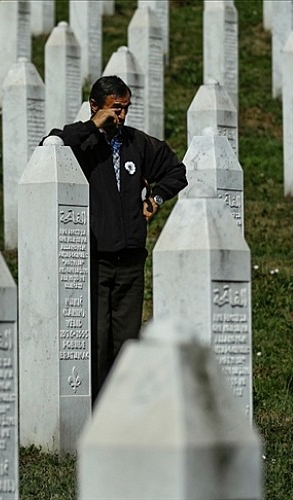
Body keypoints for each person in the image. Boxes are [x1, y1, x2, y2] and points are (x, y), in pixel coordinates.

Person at [43, 75, 187, 399]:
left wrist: (156, 199)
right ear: (96, 106)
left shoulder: (138, 142)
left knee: (128, 341)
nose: (120, 116)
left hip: (131, 258)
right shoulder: (83, 144)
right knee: (97, 340)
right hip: (96, 258)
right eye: (115, 109)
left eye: (125, 109)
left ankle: (127, 408)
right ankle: (97, 409)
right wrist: (94, 125)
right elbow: (50, 146)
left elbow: (176, 171)